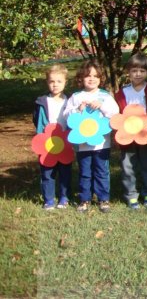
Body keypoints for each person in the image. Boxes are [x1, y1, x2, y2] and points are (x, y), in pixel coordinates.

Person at [64, 59, 119, 213]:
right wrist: (78, 109)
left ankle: (103, 199)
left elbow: (115, 114)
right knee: (85, 172)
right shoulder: (76, 97)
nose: (92, 79)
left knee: (102, 171)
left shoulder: (105, 96)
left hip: (102, 144)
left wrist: (102, 106)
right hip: (82, 144)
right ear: (81, 78)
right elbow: (67, 115)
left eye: (95, 76)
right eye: (88, 76)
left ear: (100, 79)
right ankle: (85, 199)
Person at [114, 52, 147, 210]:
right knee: (128, 166)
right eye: (134, 71)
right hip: (127, 137)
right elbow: (117, 114)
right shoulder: (122, 93)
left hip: (146, 136)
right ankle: (131, 195)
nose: (138, 74)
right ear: (128, 72)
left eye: (142, 71)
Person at [33, 65, 71, 210]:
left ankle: (64, 197)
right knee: (47, 172)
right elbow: (37, 120)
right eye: (52, 81)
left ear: (65, 82)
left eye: (59, 81)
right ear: (47, 82)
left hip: (64, 143)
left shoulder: (70, 101)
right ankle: (48, 199)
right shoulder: (42, 102)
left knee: (65, 172)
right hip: (47, 143)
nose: (55, 84)